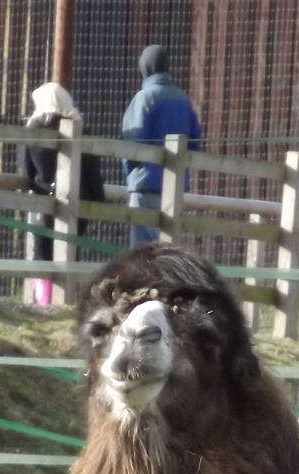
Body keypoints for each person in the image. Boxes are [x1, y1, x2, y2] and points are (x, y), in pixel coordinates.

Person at [20, 82, 106, 304]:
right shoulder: (79, 129)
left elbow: (26, 171)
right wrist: (98, 201)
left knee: (42, 258)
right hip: (77, 205)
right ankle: (66, 301)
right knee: (69, 253)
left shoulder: (31, 131)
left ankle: (44, 303)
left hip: (42, 203)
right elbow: (92, 173)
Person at [120, 45, 203, 244]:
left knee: (143, 255)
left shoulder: (144, 98)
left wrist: (132, 175)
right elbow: (195, 143)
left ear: (145, 67)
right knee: (167, 250)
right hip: (175, 189)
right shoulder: (183, 100)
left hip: (145, 186)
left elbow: (131, 146)